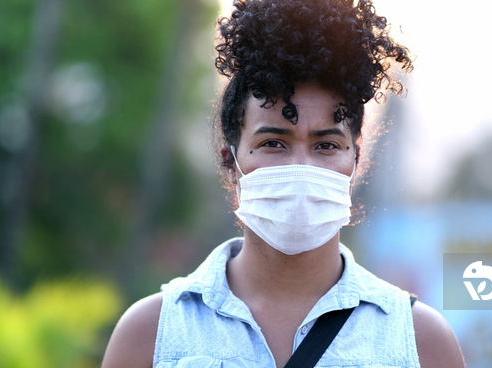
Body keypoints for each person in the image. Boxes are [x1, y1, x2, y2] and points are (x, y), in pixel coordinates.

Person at [102, 0, 465, 367]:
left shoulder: (421, 342)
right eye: (273, 143)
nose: (301, 167)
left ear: (356, 161)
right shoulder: (150, 334)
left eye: (326, 145)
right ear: (230, 160)